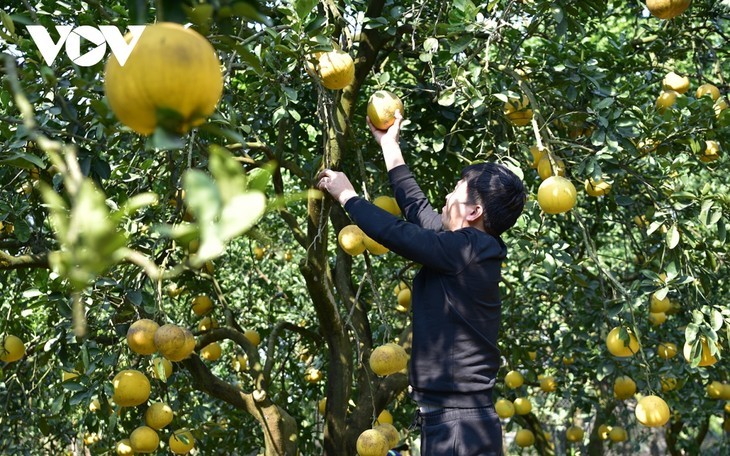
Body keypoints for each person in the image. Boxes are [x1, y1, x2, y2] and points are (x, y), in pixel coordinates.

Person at [316, 111, 526, 456]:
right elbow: (415, 208)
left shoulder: (467, 250)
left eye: (455, 191)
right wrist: (389, 146)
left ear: (473, 211)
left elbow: (401, 235)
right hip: (451, 422)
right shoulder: (464, 249)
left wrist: (348, 197)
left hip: (462, 427)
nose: (445, 198)